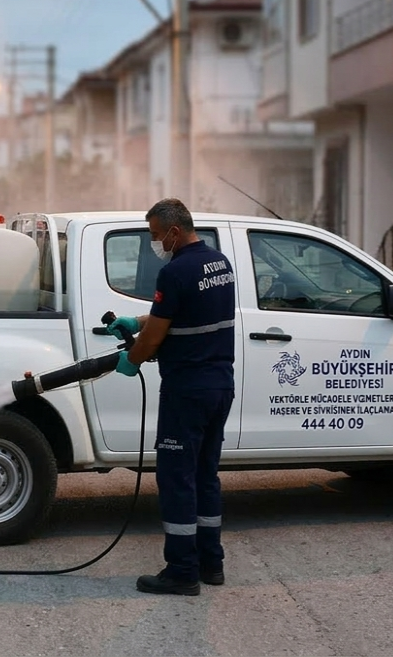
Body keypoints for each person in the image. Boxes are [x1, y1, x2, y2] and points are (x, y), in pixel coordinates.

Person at [110, 198, 237, 596]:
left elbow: (153, 339)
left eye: (154, 235)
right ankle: (210, 563)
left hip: (187, 391)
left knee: (176, 478)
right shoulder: (220, 264)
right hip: (220, 386)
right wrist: (138, 320)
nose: (155, 243)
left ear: (173, 231)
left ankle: (182, 570)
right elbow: (181, 314)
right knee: (205, 476)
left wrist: (132, 358)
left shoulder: (174, 271)